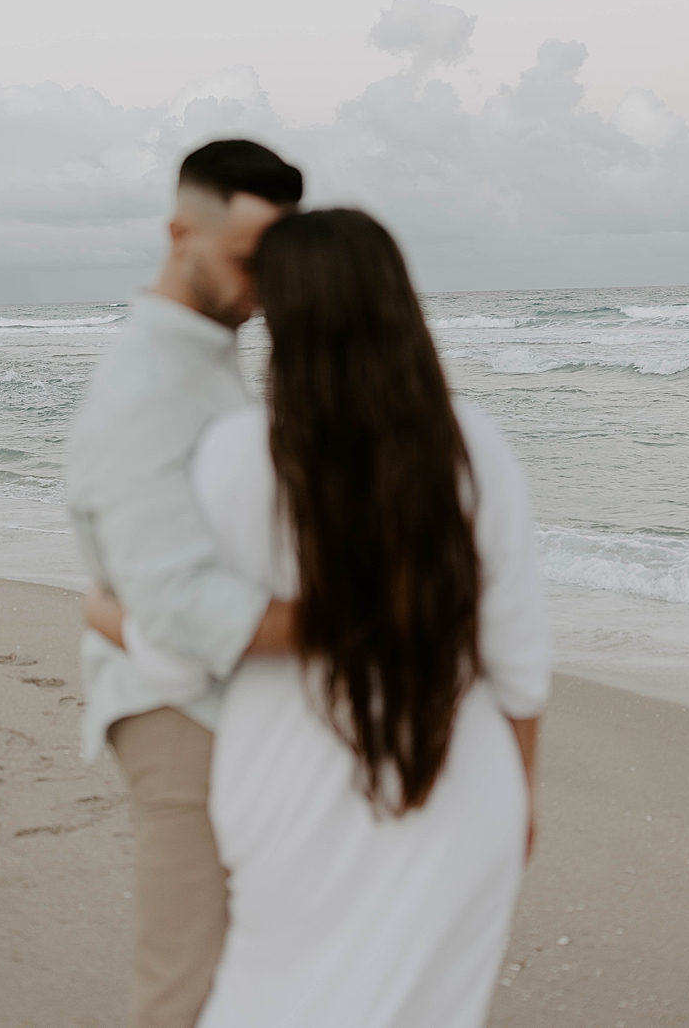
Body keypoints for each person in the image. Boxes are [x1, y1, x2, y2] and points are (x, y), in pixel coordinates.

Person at [103, 209, 552, 1027]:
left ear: (276, 314)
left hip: (286, 791)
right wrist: (522, 794)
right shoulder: (475, 447)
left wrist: (111, 618)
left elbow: (180, 656)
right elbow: (518, 662)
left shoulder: (233, 454)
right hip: (459, 783)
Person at [65, 138, 304, 1028]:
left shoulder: (206, 356)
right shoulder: (148, 380)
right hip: (177, 710)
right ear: (181, 233)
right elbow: (178, 603)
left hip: (221, 699)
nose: (263, 284)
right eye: (247, 259)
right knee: (187, 982)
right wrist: (370, 619)